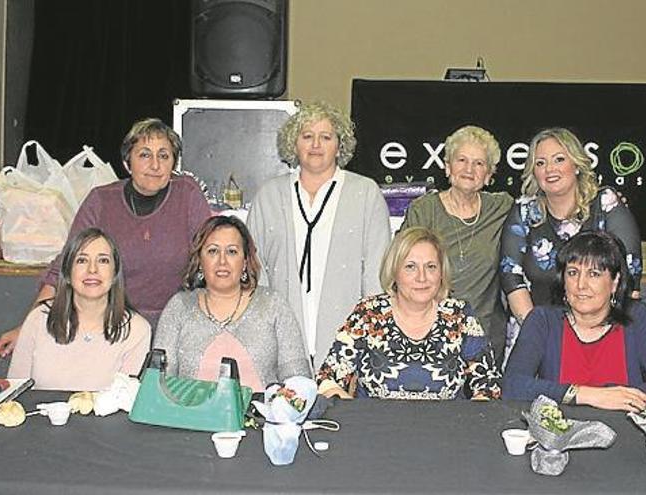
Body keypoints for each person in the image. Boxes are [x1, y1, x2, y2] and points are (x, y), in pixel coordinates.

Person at [0, 118, 212, 360]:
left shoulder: (188, 194)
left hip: (177, 325)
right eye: (144, 155)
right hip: (113, 326)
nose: (155, 165)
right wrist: (27, 327)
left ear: (174, 163)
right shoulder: (101, 201)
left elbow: (213, 258)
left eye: (164, 156)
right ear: (127, 162)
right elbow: (64, 267)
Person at [247, 101, 391, 364]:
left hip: (349, 338)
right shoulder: (269, 194)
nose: (316, 145)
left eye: (326, 137)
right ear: (294, 143)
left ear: (339, 145)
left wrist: (372, 336)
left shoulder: (365, 193)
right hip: (280, 337)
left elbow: (377, 273)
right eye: (307, 136)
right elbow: (255, 269)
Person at [502, 231, 646, 411]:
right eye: (573, 273)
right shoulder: (543, 320)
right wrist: (589, 396)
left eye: (594, 274)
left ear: (615, 282)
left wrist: (618, 398)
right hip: (560, 436)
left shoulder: (636, 317)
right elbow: (512, 386)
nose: (581, 285)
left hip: (628, 435)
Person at [317, 226, 501, 400]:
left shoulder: (459, 315)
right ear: (394, 272)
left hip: (447, 429)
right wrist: (353, 416)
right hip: (374, 429)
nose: (422, 277)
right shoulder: (368, 314)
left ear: (442, 273)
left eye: (431, 267)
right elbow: (328, 378)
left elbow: (489, 383)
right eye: (410, 267)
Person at [499, 127, 642, 351]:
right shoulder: (524, 211)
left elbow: (629, 276)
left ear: (576, 165)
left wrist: (591, 338)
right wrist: (542, 337)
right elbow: (511, 278)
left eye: (559, 159)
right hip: (536, 336)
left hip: (602, 334)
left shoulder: (606, 204)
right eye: (540, 163)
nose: (550, 169)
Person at [153, 216, 311, 390]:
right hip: (189, 415)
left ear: (244, 262)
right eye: (213, 251)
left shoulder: (273, 305)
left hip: (259, 416)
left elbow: (299, 383)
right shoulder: (179, 307)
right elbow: (159, 385)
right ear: (199, 261)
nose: (222, 261)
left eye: (232, 252)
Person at [400, 125, 513, 358]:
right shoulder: (424, 211)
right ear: (448, 166)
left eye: (479, 163)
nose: (469, 169)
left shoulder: (502, 208)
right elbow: (401, 270)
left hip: (485, 337)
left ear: (490, 174)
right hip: (429, 334)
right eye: (461, 160)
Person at [7, 228, 150, 391]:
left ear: (115, 273)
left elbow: (125, 403)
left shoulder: (137, 330)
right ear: (67, 272)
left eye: (103, 261)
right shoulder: (38, 319)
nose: (92, 270)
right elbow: (14, 393)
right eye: (82, 260)